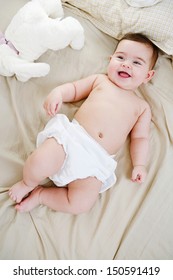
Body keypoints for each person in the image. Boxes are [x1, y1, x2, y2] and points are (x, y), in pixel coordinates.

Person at [9, 33, 158, 214]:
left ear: (148, 76)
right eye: (120, 57)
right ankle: (28, 183)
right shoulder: (100, 81)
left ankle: (41, 195)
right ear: (110, 60)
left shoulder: (142, 107)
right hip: (73, 139)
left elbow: (140, 138)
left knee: (81, 204)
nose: (126, 64)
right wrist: (58, 93)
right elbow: (74, 89)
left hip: (96, 160)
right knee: (39, 162)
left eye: (137, 62)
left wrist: (139, 164)